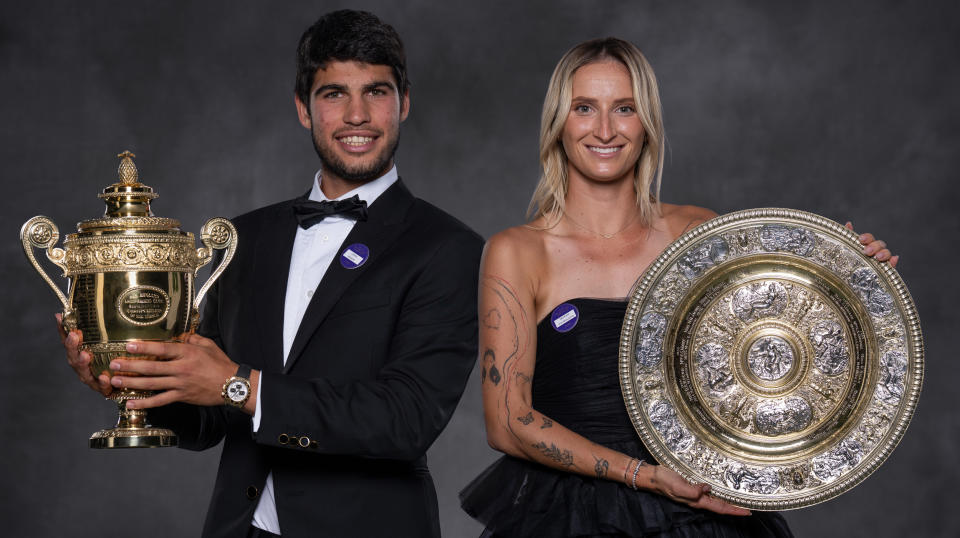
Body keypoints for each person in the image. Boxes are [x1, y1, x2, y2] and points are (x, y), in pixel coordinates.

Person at [59, 10, 483, 538]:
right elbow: (210, 416)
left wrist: (241, 386)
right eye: (333, 94)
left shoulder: (448, 248)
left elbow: (406, 418)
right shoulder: (244, 239)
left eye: (376, 92)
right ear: (304, 108)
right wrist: (132, 378)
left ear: (404, 103)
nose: (357, 115)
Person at [460, 37, 897, 537]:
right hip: (571, 516)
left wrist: (852, 275)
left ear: (646, 123)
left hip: (701, 513)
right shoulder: (518, 252)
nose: (604, 129)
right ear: (559, 123)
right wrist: (645, 477)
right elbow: (508, 422)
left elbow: (783, 346)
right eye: (585, 108)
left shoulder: (699, 233)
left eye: (624, 108)